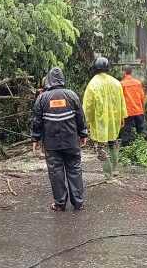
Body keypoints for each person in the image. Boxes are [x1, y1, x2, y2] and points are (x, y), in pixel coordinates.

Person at [31, 67, 89, 211]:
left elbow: (36, 121)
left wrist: (35, 140)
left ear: (48, 80)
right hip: (71, 141)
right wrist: (83, 134)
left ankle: (60, 204)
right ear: (62, 79)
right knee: (75, 169)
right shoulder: (72, 95)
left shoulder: (42, 98)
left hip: (51, 143)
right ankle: (79, 203)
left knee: (55, 171)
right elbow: (80, 117)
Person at [83, 57, 128, 182]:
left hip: (100, 122)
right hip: (113, 120)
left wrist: (87, 119)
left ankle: (108, 176)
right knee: (113, 143)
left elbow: (88, 105)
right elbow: (122, 101)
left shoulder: (93, 84)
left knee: (101, 147)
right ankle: (115, 170)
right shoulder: (116, 82)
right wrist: (122, 117)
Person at [119, 65, 147, 146]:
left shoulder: (121, 84)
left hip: (128, 112)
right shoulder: (138, 83)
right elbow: (143, 97)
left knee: (126, 131)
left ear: (124, 72)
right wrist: (143, 110)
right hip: (138, 110)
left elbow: (119, 99)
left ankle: (126, 149)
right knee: (141, 129)